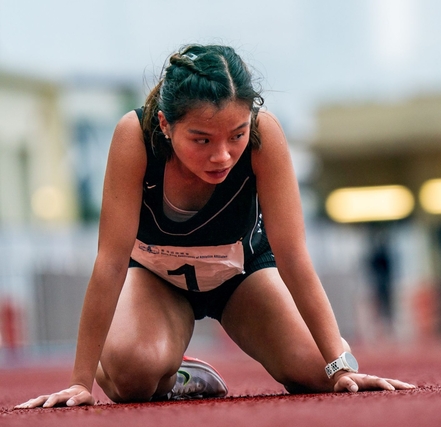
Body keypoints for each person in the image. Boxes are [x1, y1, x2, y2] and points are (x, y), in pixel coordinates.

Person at [16, 44, 415, 408]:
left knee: (320, 374)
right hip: (158, 281)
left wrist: (339, 366)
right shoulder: (135, 138)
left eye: (236, 135)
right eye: (201, 140)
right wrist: (80, 382)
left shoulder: (264, 135)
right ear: (165, 125)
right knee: (132, 377)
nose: (222, 156)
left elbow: (293, 256)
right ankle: (177, 371)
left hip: (241, 278)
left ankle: (320, 361)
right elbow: (109, 262)